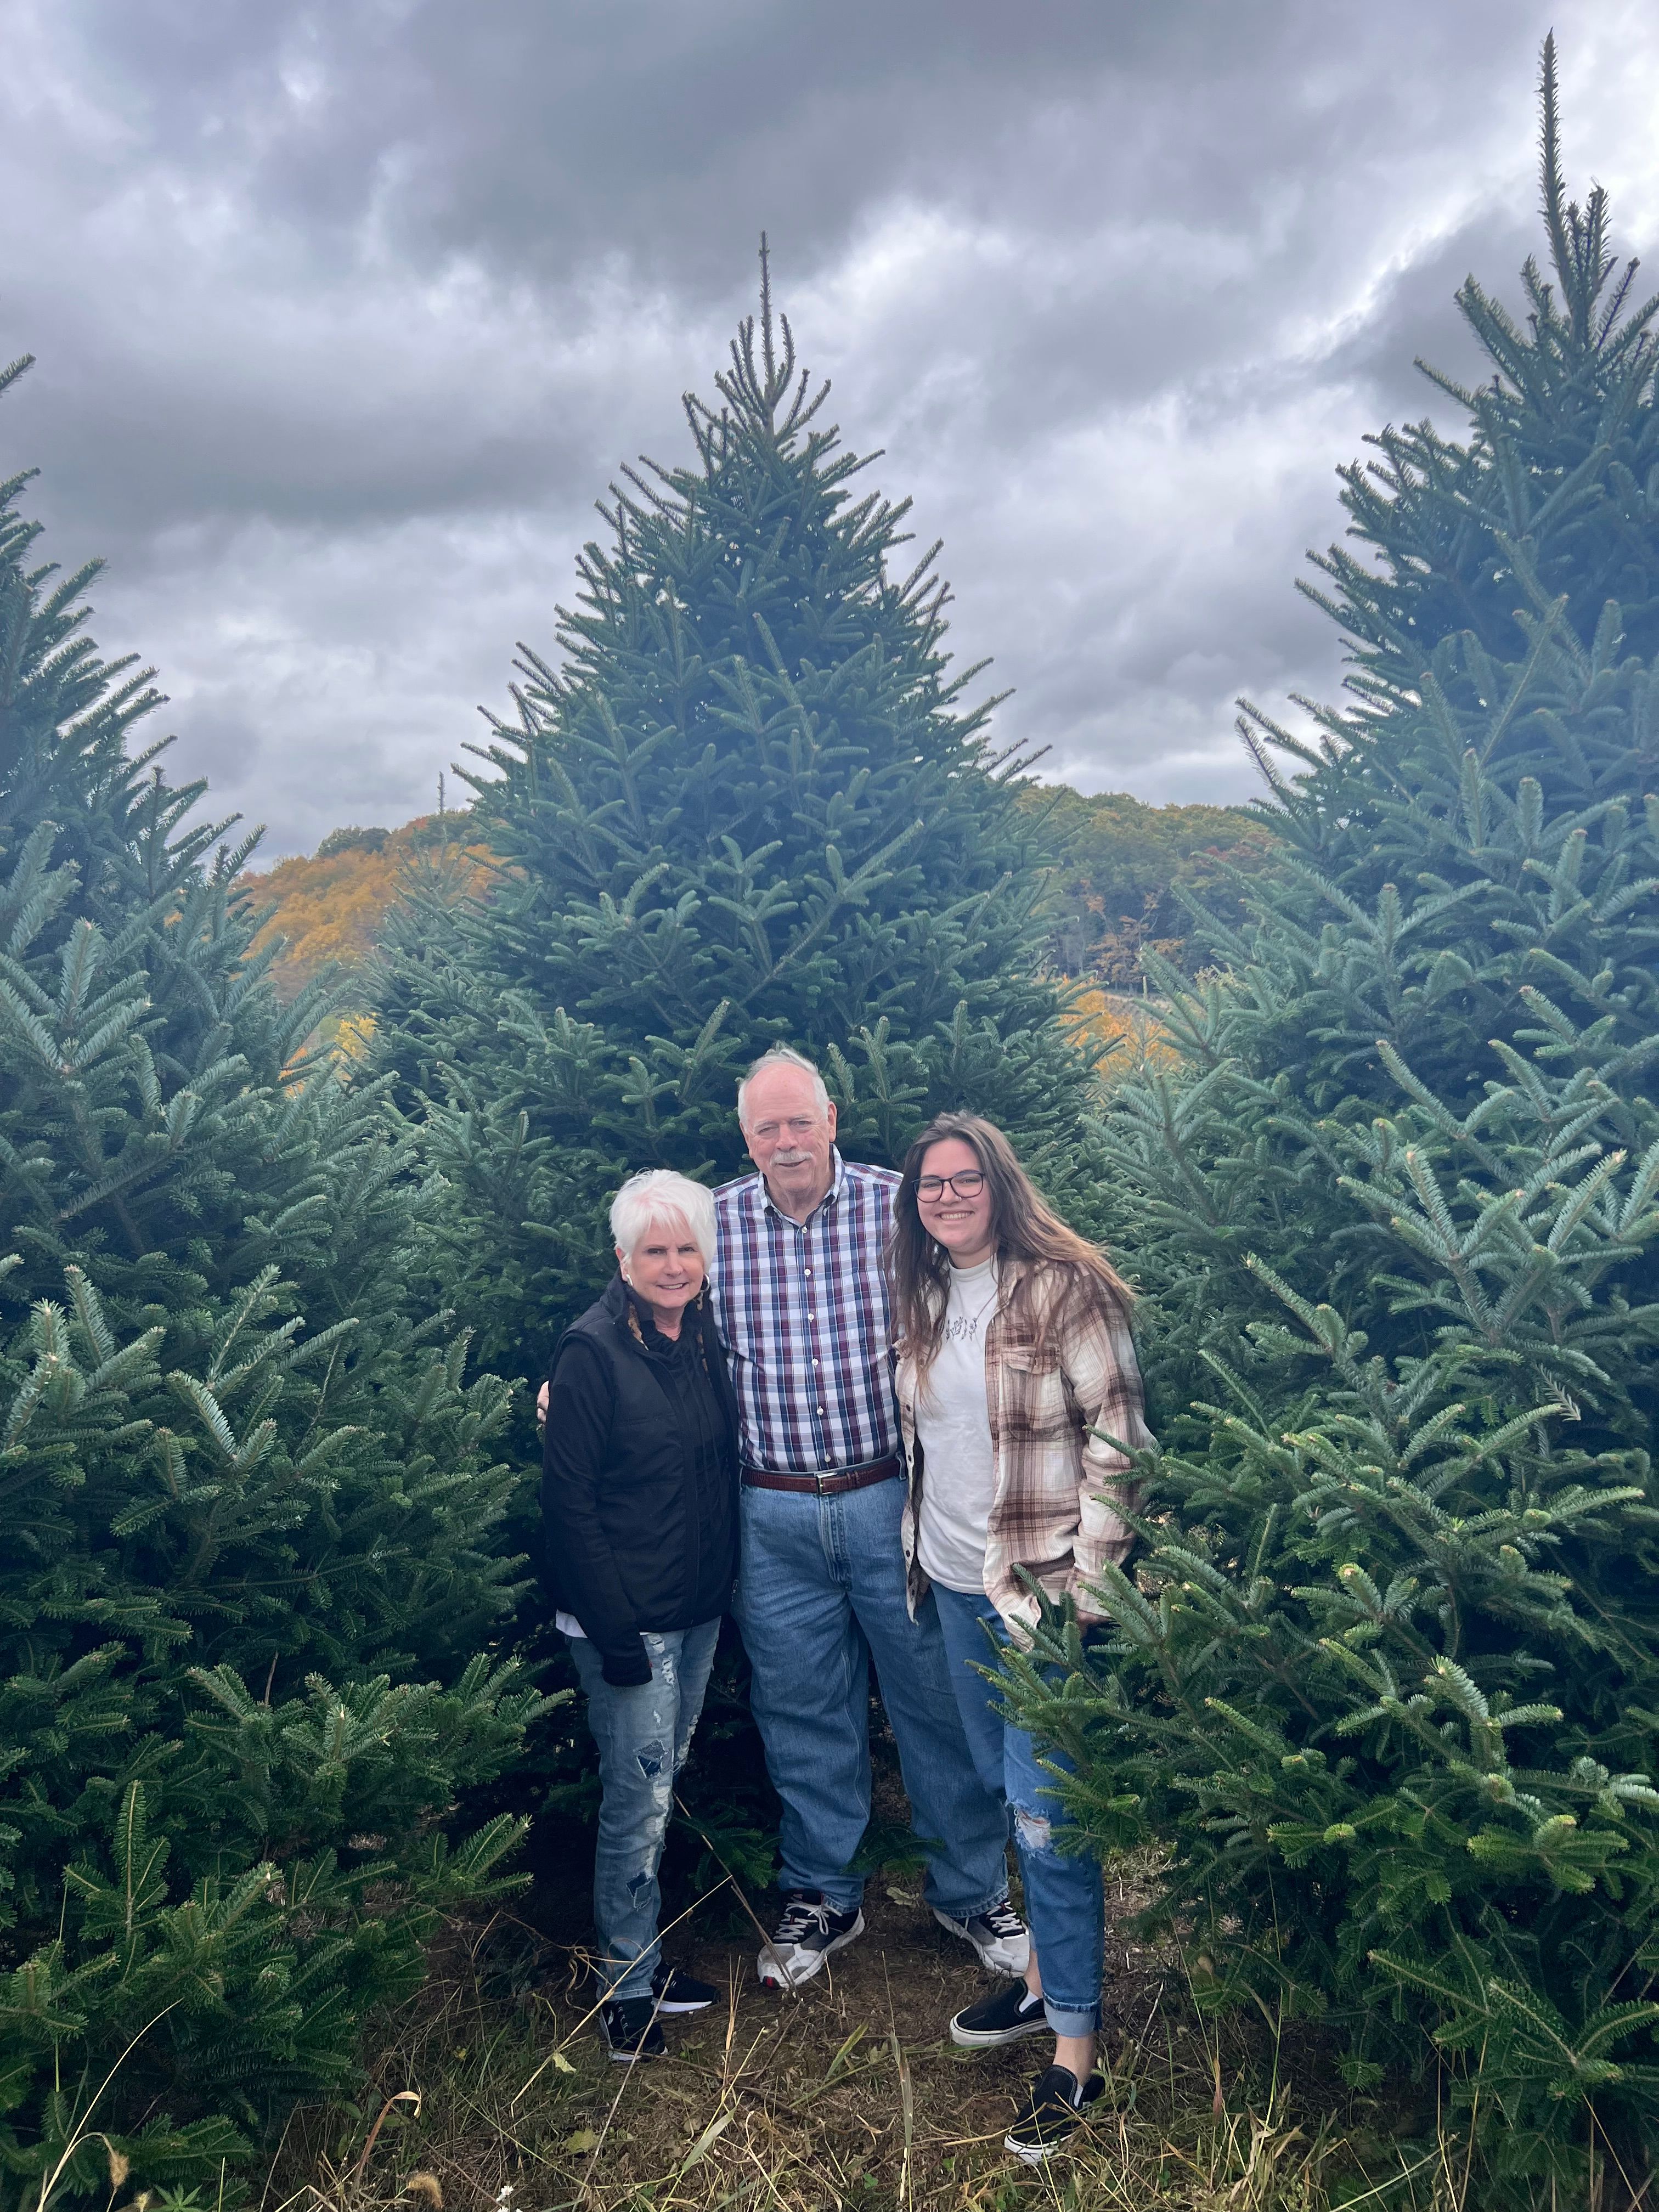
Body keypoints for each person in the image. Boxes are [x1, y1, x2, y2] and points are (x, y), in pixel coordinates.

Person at [712, 1046, 1029, 1989]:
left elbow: (997, 1281)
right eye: (766, 1127)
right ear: (746, 1139)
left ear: (832, 1119)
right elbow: (648, 1303)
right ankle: (822, 1895)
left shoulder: (907, 1207)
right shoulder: (714, 1222)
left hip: (891, 1498)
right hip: (768, 1509)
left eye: (799, 1121)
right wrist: (574, 1376)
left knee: (935, 1698)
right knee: (800, 1707)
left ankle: (972, 1890)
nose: (785, 1141)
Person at [887, 1112, 1150, 2164]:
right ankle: (1039, 1987)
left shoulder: (1063, 1287)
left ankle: (1076, 2055)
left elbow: (1122, 1442)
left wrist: (1088, 1591)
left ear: (1000, 1183)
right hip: (955, 1583)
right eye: (929, 1186)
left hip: (1041, 1600)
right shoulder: (924, 1290)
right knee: (1007, 1789)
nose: (945, 1198)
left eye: (963, 1181)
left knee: (1047, 1816)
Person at [540, 1169, 738, 2062]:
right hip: (630, 1626)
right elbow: (570, 1506)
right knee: (638, 1801)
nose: (672, 1265)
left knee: (661, 1791)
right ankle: (623, 1988)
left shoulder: (698, 1338)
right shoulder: (590, 1354)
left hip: (695, 1612)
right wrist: (616, 1636)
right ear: (622, 1259)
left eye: (686, 1248)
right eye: (653, 1251)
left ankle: (645, 1961)